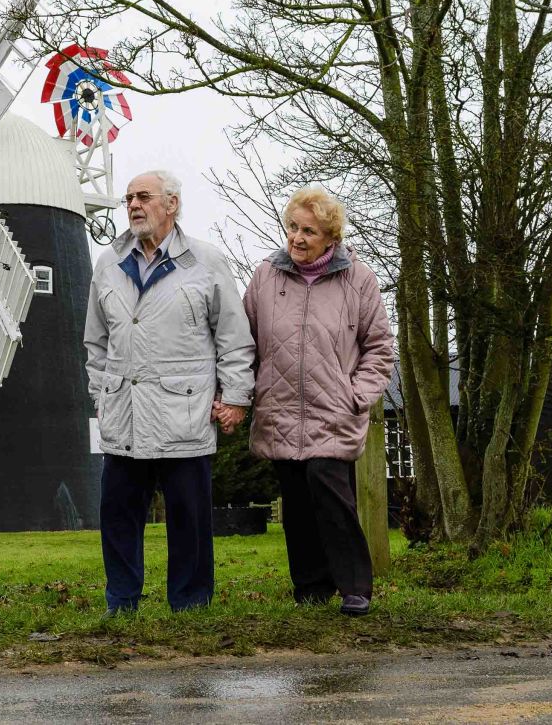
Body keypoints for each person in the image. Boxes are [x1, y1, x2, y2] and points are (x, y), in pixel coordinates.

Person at [84, 170, 255, 616]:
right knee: (118, 514)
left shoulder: (206, 261)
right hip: (124, 412)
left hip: (184, 410)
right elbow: (95, 341)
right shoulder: (108, 263)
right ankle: (121, 602)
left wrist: (236, 397)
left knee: (189, 518)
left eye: (143, 197)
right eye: (128, 199)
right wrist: (101, 395)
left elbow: (234, 339)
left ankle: (191, 603)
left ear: (172, 204)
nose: (133, 205)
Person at [239, 187, 394, 616]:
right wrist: (241, 392)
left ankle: (355, 587)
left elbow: (379, 345)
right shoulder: (266, 275)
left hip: (333, 410)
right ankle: (310, 587)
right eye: (293, 227)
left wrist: (357, 395)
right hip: (279, 406)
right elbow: (243, 341)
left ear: (331, 237)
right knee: (297, 503)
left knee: (331, 493)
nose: (297, 238)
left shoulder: (357, 278)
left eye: (309, 230)